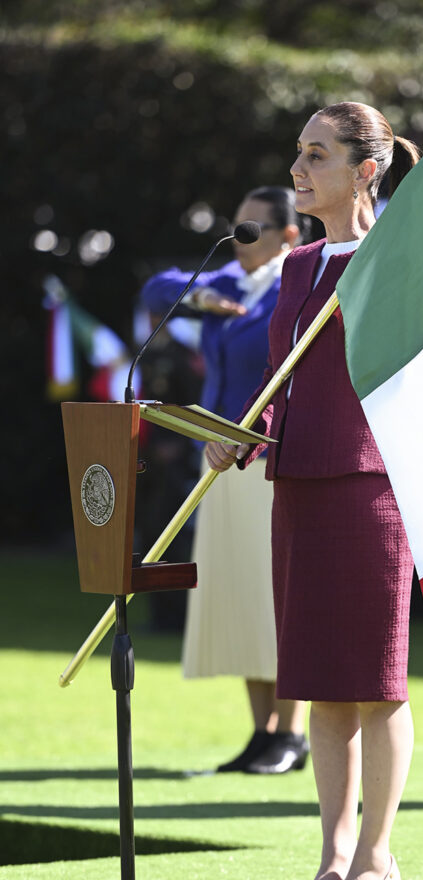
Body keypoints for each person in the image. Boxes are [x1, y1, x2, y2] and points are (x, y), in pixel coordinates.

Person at [206, 102, 420, 880]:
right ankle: (332, 864)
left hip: (370, 486)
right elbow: (277, 387)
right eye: (297, 151)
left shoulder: (399, 259)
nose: (298, 169)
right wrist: (241, 438)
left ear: (366, 171)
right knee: (320, 684)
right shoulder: (296, 269)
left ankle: (376, 863)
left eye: (317, 154)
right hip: (295, 483)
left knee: (374, 686)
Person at [140, 186, 310, 775]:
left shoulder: (299, 285)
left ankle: (292, 734)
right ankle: (261, 733)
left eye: (253, 229)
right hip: (216, 464)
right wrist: (205, 296)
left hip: (269, 462)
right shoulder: (233, 286)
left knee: (276, 601)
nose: (241, 240)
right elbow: (157, 286)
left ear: (290, 235)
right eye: (237, 227)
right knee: (239, 599)